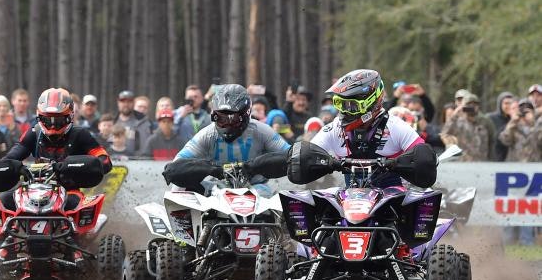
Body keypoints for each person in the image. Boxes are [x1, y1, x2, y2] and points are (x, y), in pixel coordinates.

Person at [307, 69, 437, 189]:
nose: (345, 111)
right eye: (340, 104)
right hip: (350, 201)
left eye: (352, 106)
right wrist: (326, 162)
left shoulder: (396, 127)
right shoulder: (334, 128)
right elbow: (307, 156)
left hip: (395, 202)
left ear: (372, 104)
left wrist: (407, 163)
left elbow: (425, 159)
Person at [0, 88, 112, 209]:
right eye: (48, 120)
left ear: (69, 117)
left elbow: (105, 161)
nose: (53, 125)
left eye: (58, 120)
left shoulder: (80, 134)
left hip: (69, 191)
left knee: (73, 203)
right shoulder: (33, 133)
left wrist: (76, 166)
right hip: (33, 189)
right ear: (39, 117)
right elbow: (9, 158)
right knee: (4, 199)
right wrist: (18, 168)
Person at [170, 84, 290, 197]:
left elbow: (292, 155)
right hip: (217, 189)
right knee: (178, 184)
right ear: (213, 116)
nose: (226, 125)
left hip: (257, 188)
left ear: (246, 115)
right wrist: (211, 170)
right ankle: (180, 218)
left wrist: (256, 166)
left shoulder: (263, 131)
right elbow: (175, 166)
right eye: (220, 118)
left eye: (232, 118)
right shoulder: (206, 134)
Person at [442, 92, 495, 161]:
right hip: (463, 163)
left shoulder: (485, 121)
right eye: (469, 104)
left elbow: (492, 141)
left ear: (478, 106)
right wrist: (454, 115)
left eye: (475, 104)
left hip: (482, 162)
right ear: (464, 106)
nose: (472, 106)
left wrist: (491, 160)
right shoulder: (457, 122)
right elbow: (445, 134)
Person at [115, 90, 152, 156]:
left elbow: (146, 145)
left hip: (137, 162)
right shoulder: (112, 122)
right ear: (118, 102)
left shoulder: (143, 122)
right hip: (115, 162)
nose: (126, 104)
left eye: (129, 101)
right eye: (123, 101)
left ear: (134, 103)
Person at [486, 91, 516, 162]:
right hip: (496, 157)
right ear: (500, 104)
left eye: (511, 103)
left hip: (513, 158)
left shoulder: (517, 119)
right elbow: (496, 137)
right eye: (506, 103)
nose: (509, 106)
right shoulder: (491, 118)